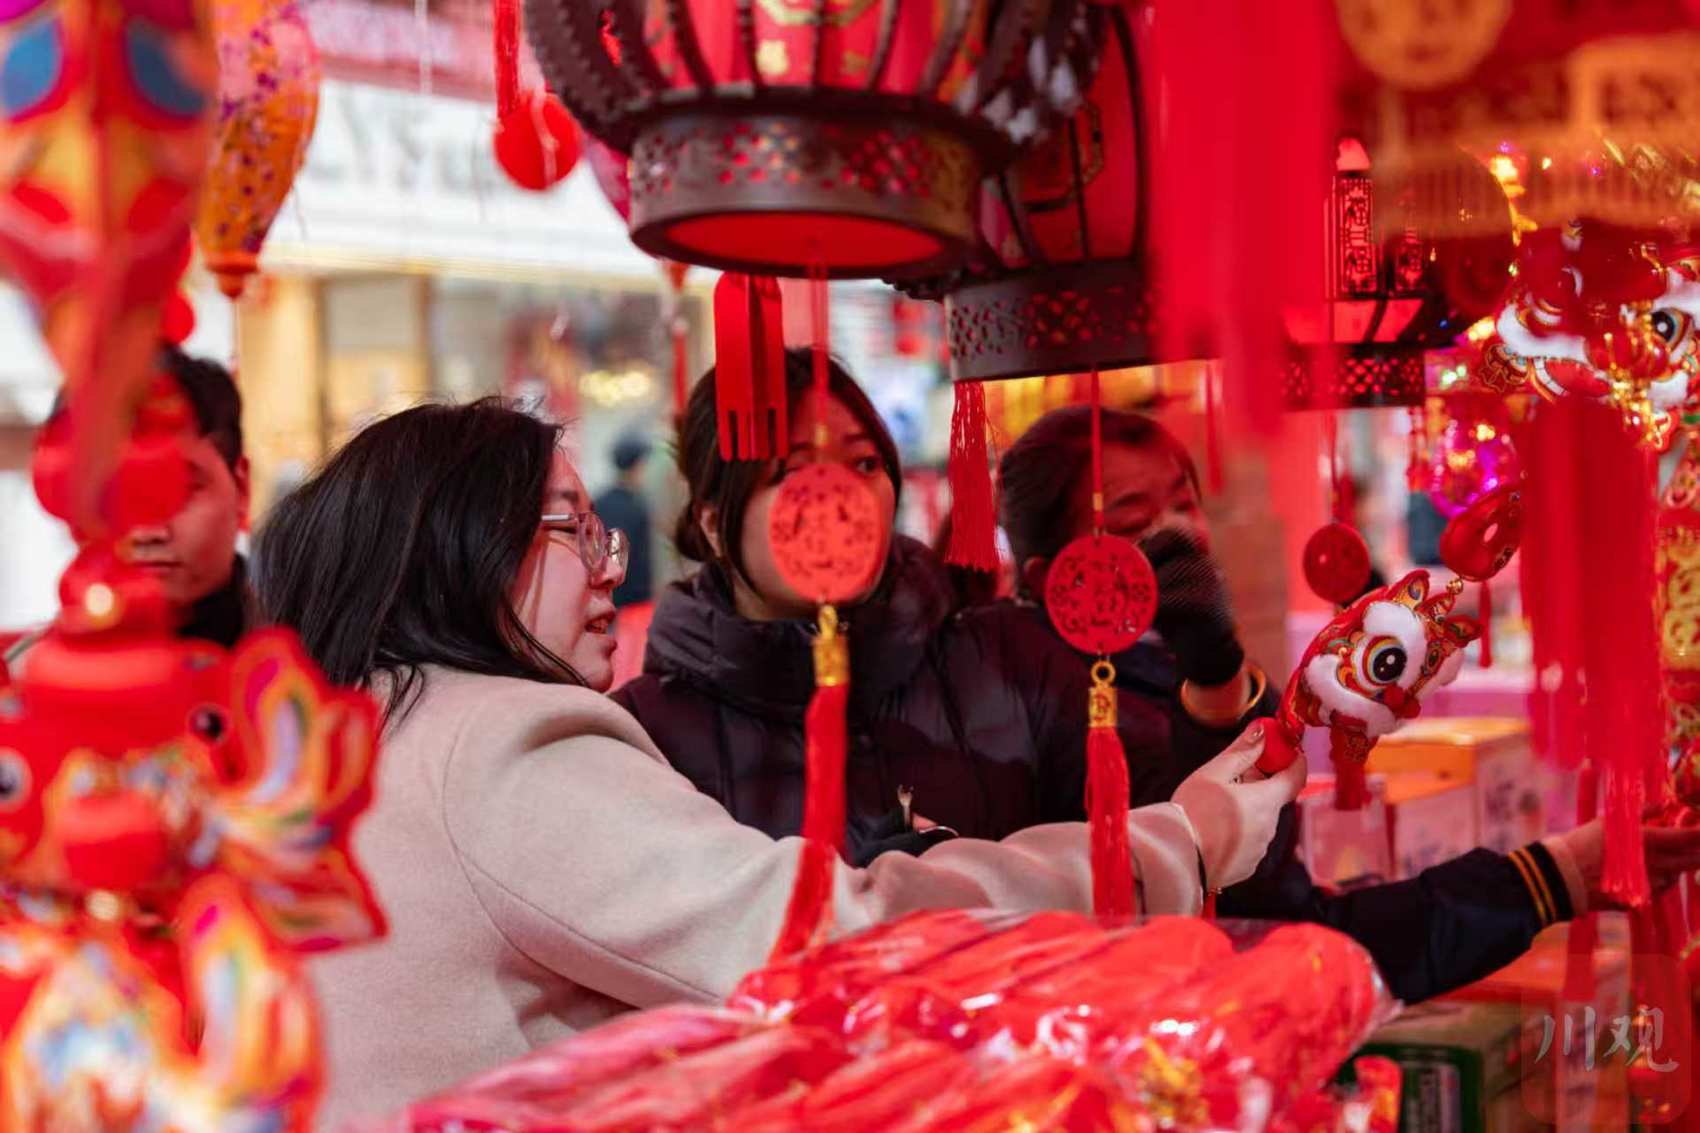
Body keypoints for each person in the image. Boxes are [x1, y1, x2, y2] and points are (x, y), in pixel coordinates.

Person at [252, 398, 1301, 1127]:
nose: (610, 568)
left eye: (861, 464)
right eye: (572, 527)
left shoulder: (347, 751)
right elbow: (834, 941)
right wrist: (1175, 840)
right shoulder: (500, 745)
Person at [995, 404, 1700, 1003]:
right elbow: (1270, 933)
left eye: (1184, 505)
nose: (1181, 540)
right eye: (1134, 525)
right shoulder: (1066, 715)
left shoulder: (1175, 674)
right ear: (1047, 575)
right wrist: (1554, 874)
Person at [614, 350, 1180, 864]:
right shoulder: (644, 738)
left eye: (864, 464)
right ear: (715, 524)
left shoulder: (1013, 659)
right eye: (795, 473)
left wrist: (1211, 684)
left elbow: (1168, 840)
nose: (843, 501)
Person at [5, 345, 252, 672]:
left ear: (242, 489)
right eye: (112, 496)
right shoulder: (24, 679)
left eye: (178, 490)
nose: (147, 532)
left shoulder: (304, 669)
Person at [594, 432, 654, 609]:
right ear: (637, 467)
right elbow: (640, 567)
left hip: (601, 598)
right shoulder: (636, 509)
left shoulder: (597, 503)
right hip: (631, 606)